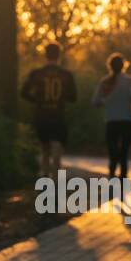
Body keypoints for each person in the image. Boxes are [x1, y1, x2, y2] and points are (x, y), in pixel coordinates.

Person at [20, 42, 77, 177]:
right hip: (58, 114)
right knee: (57, 149)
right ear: (59, 55)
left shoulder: (37, 73)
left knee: (44, 149)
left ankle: (45, 178)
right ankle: (55, 180)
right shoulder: (66, 75)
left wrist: (37, 100)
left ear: (45, 55)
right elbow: (73, 97)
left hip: (42, 114)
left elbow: (23, 92)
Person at [92, 53, 131, 180]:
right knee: (124, 151)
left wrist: (106, 100)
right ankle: (123, 176)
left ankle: (112, 174)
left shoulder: (105, 82)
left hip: (111, 120)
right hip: (127, 120)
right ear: (124, 65)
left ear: (110, 66)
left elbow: (95, 102)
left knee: (112, 150)